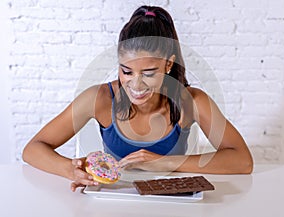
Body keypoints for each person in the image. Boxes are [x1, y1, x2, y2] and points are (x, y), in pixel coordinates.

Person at [22, 5, 253, 192]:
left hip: (173, 204)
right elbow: (32, 149)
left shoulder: (192, 102)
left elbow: (242, 161)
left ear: (168, 64)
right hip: (114, 203)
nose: (135, 85)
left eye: (149, 73)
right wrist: (70, 169)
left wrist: (165, 162)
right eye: (127, 71)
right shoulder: (99, 99)